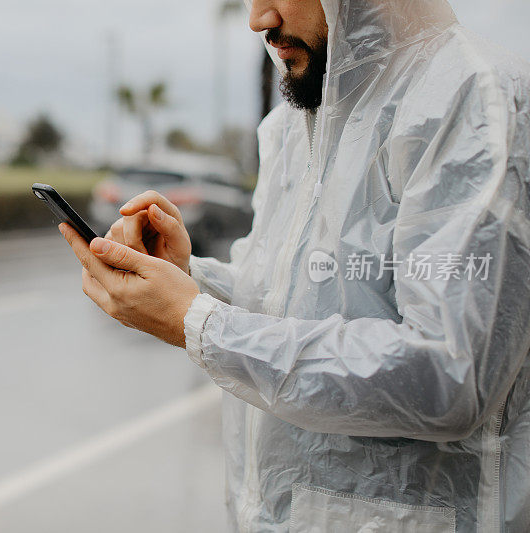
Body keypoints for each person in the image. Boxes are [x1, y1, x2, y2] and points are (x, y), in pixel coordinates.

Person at [59, 0, 530, 530]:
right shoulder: (297, 120)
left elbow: (449, 373)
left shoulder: (474, 99)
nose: (258, 19)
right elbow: (287, 300)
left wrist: (198, 321)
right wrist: (187, 280)